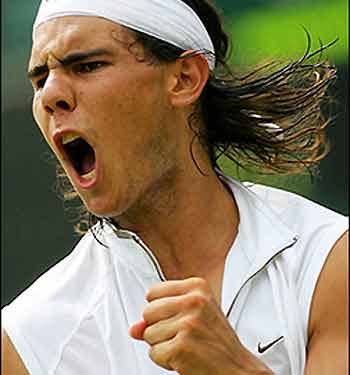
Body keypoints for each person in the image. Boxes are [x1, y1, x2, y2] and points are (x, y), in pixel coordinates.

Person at [2, 0, 348, 374]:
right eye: (39, 79)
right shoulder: (27, 341)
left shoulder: (328, 261)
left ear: (184, 78)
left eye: (88, 66)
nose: (50, 95)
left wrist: (233, 369)